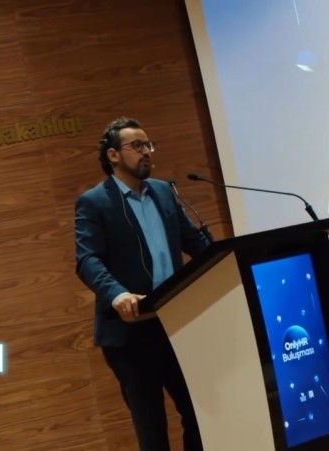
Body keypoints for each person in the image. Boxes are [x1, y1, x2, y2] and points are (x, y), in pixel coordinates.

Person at [74, 117, 210, 450]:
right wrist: (117, 294)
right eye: (137, 146)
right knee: (153, 430)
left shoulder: (164, 192)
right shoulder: (95, 202)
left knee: (200, 415)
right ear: (113, 155)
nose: (146, 151)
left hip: (175, 322)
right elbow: (88, 260)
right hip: (131, 330)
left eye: (149, 145)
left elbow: (195, 243)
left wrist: (227, 260)